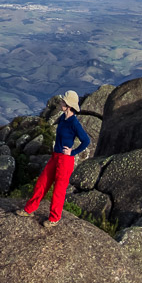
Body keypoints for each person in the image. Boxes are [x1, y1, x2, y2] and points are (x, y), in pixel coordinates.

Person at [18, 90, 91, 228]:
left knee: (58, 190)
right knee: (42, 182)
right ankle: (29, 209)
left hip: (65, 160)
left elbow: (86, 141)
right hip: (55, 156)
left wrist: (73, 152)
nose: (60, 102)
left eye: (63, 101)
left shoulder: (74, 123)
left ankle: (54, 218)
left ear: (69, 105)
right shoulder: (63, 118)